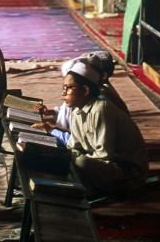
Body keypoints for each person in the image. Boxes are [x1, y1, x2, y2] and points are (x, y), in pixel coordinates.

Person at [63, 59, 148, 198]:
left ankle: (103, 188)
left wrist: (72, 157)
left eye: (69, 88)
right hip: (103, 165)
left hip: (128, 170)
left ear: (85, 90)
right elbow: (73, 146)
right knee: (68, 158)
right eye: (63, 88)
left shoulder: (101, 109)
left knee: (80, 162)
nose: (63, 93)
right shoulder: (77, 112)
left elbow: (104, 155)